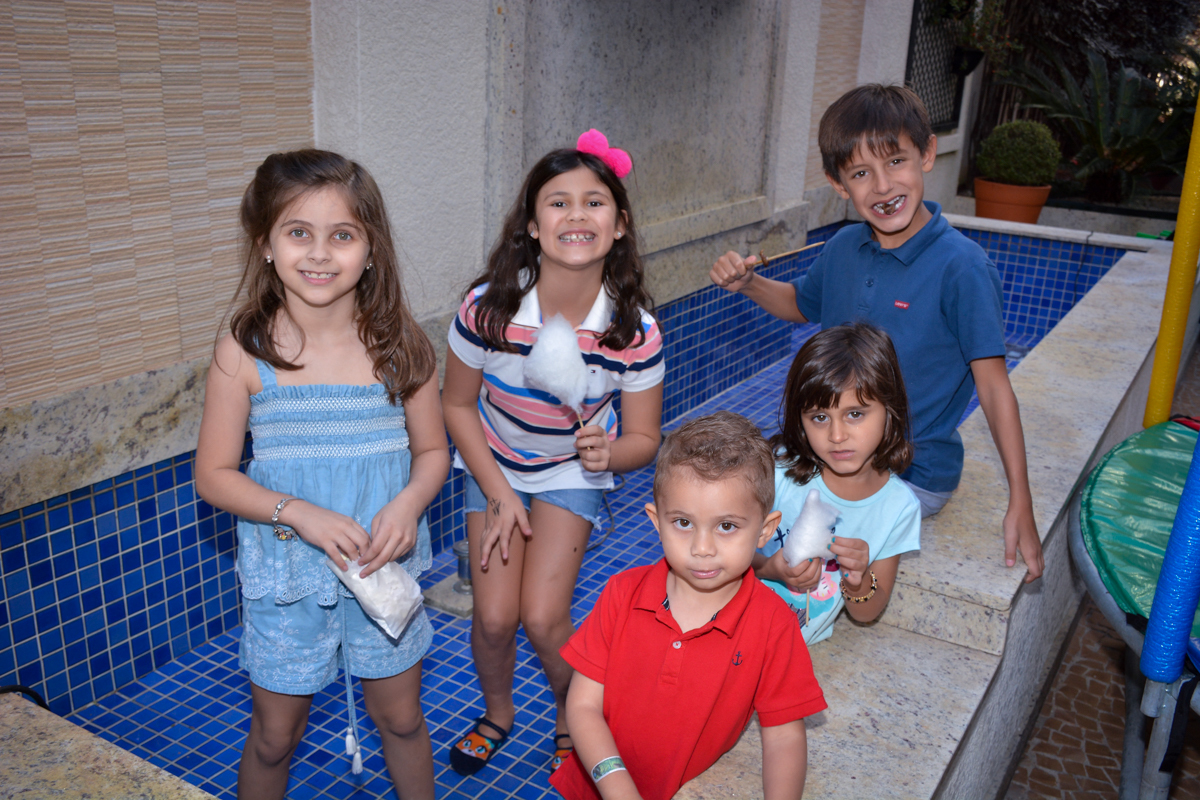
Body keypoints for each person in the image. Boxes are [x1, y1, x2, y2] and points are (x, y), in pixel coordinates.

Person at [709, 84, 1044, 584]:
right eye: (861, 174)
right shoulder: (844, 246)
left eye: (896, 162)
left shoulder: (962, 267)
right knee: (720, 505)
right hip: (832, 451)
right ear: (839, 184)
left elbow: (994, 387)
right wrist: (750, 283)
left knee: (781, 542)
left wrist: (1021, 499)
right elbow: (802, 304)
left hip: (910, 470)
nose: (883, 186)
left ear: (927, 153)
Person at [195, 149, 449, 800]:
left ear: (370, 248)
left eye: (342, 235)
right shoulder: (246, 352)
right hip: (288, 581)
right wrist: (297, 512)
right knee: (275, 736)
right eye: (298, 232)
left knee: (400, 717)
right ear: (266, 244)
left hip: (381, 569)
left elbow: (433, 454)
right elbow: (215, 476)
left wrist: (410, 504)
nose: (319, 253)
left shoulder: (402, 346)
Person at [442, 130, 665, 776]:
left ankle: (577, 715)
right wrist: (500, 490)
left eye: (594, 203)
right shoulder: (489, 309)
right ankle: (498, 711)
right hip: (493, 464)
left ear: (619, 225)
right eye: (557, 202)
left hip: (572, 470)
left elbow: (644, 442)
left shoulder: (633, 331)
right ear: (533, 227)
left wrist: (607, 452)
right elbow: (455, 405)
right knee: (492, 618)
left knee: (542, 618)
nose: (576, 216)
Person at [551, 412, 827, 800]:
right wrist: (616, 784)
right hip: (594, 786)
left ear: (765, 530)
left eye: (726, 526)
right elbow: (581, 706)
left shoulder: (773, 624)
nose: (702, 548)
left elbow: (783, 735)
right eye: (683, 523)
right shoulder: (621, 594)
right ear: (656, 520)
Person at [755, 323, 920, 644]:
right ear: (799, 421)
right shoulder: (778, 473)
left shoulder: (897, 508)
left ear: (890, 411)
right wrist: (769, 567)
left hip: (792, 649)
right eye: (819, 417)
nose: (837, 435)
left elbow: (867, 612)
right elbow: (718, 554)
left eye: (855, 414)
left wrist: (858, 582)